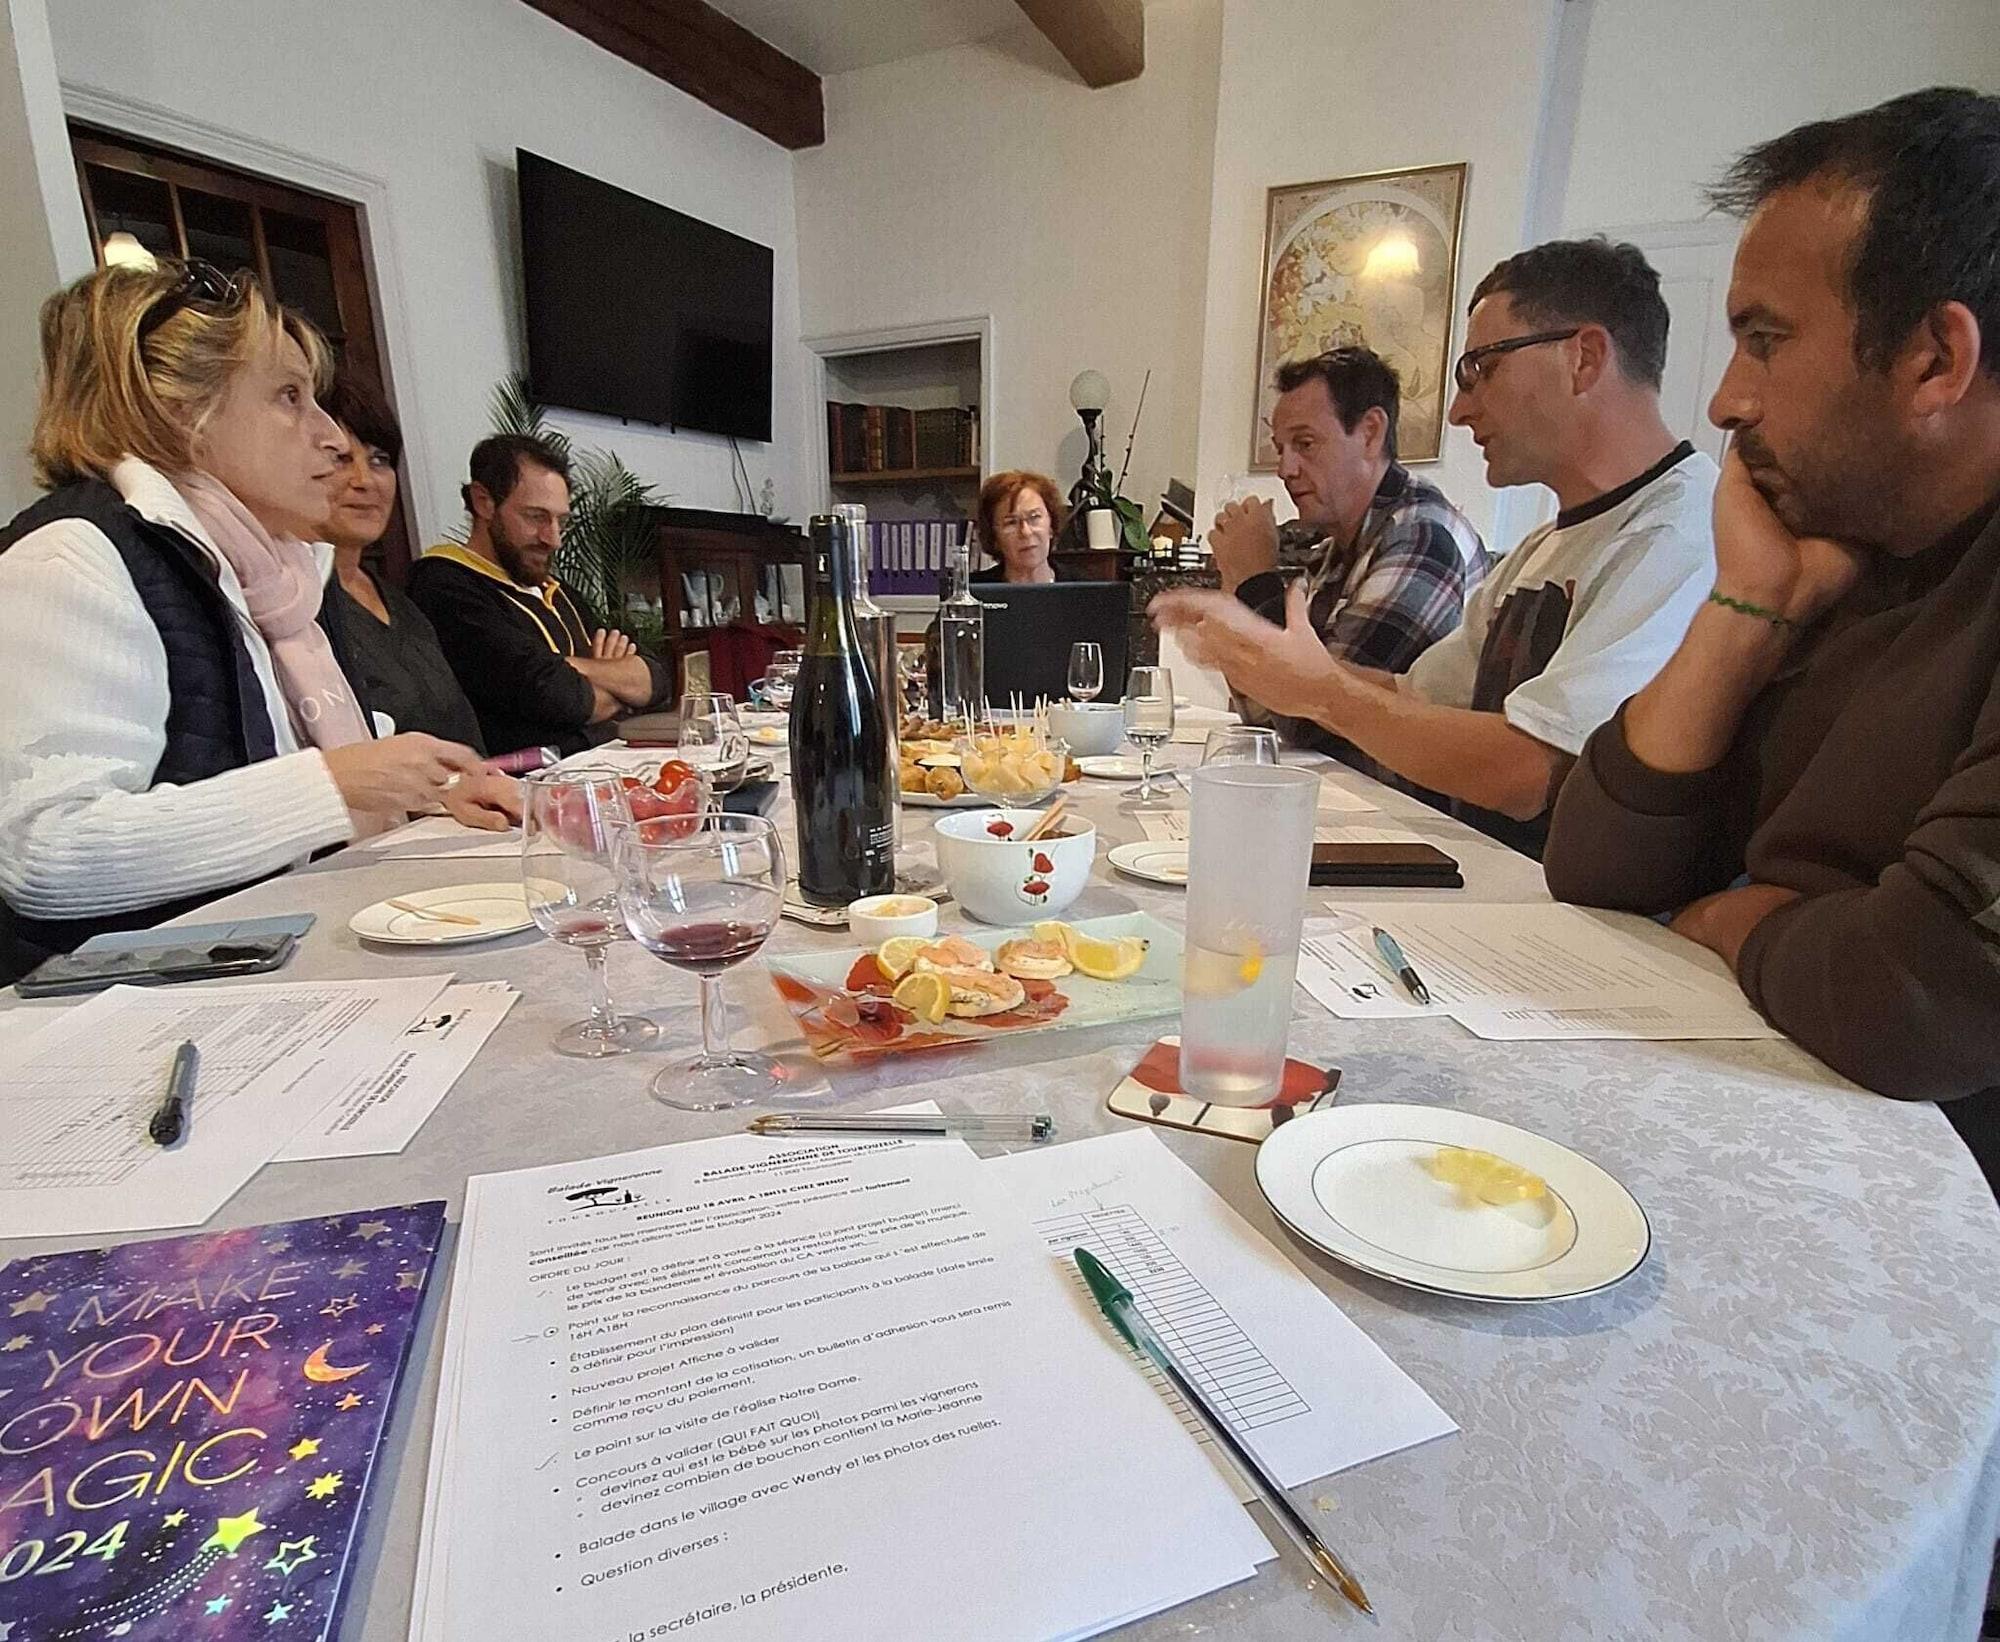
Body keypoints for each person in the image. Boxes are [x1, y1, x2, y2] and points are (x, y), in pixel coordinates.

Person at [1544, 89, 2000, 1190]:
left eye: (1763, 341)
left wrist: (1741, 921)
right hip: (1777, 1131)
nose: (1722, 400)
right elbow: (1595, 864)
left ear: (1934, 359)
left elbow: (1920, 989)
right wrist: (1744, 610)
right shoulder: (1839, 555)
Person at [0, 262, 512, 983]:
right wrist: (336, 785)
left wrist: (430, 785)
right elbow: (45, 857)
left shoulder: (281, 572)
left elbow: (276, 750)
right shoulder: (71, 558)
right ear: (181, 413)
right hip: (129, 1029)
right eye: (289, 397)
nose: (334, 438)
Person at [1154, 237, 1718, 855]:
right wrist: (1265, 650)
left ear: (1583, 358)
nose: (1457, 410)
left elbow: (1529, 773)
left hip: (1578, 923)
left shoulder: (1681, 531)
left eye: (1482, 369)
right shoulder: (1545, 546)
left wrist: (1315, 688)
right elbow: (1412, 693)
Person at [1206, 347, 1489, 753]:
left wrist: (1254, 581)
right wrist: (1236, 584)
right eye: (1280, 449)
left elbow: (1317, 721)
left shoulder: (1422, 537)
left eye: (1305, 443)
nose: (1286, 469)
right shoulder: (1334, 551)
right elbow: (1266, 714)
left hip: (1410, 813)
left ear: (1371, 432)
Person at [406, 434, 670, 758]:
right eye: (536, 517)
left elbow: (656, 678)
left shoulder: (557, 591)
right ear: (483, 502)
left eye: (561, 521)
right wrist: (618, 686)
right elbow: (555, 696)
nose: (554, 539)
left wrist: (570, 667)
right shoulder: (444, 585)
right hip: (527, 789)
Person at [317, 374, 485, 751]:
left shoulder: (402, 606)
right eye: (339, 459)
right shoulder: (292, 609)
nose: (365, 480)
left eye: (379, 460)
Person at [973, 470, 1067, 583]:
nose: (1026, 532)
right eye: (1011, 522)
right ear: (994, 537)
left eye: (1034, 517)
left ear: (1051, 526)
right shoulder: (972, 592)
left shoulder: (1083, 590)